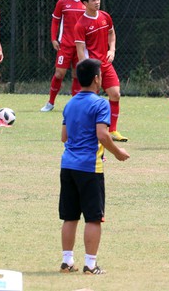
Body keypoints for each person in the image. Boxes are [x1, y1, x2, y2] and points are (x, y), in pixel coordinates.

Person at [58, 58, 130, 276]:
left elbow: (64, 137)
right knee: (93, 218)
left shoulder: (70, 103)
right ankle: (90, 264)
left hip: (67, 166)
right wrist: (118, 153)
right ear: (97, 79)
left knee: (70, 216)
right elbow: (102, 134)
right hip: (89, 168)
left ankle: (67, 261)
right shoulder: (100, 103)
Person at [74, 0, 128, 142]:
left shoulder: (105, 16)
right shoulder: (81, 25)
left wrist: (112, 49)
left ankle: (113, 130)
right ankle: (86, 130)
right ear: (85, 3)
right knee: (90, 100)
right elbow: (80, 50)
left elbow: (111, 33)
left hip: (106, 64)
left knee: (115, 94)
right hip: (92, 67)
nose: (97, 2)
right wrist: (86, 69)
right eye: (94, 0)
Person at [40, 0, 87, 112]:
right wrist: (53, 38)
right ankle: (50, 102)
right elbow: (55, 20)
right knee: (59, 73)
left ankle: (75, 105)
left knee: (77, 75)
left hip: (81, 46)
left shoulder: (88, 2)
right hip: (65, 45)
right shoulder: (63, 2)